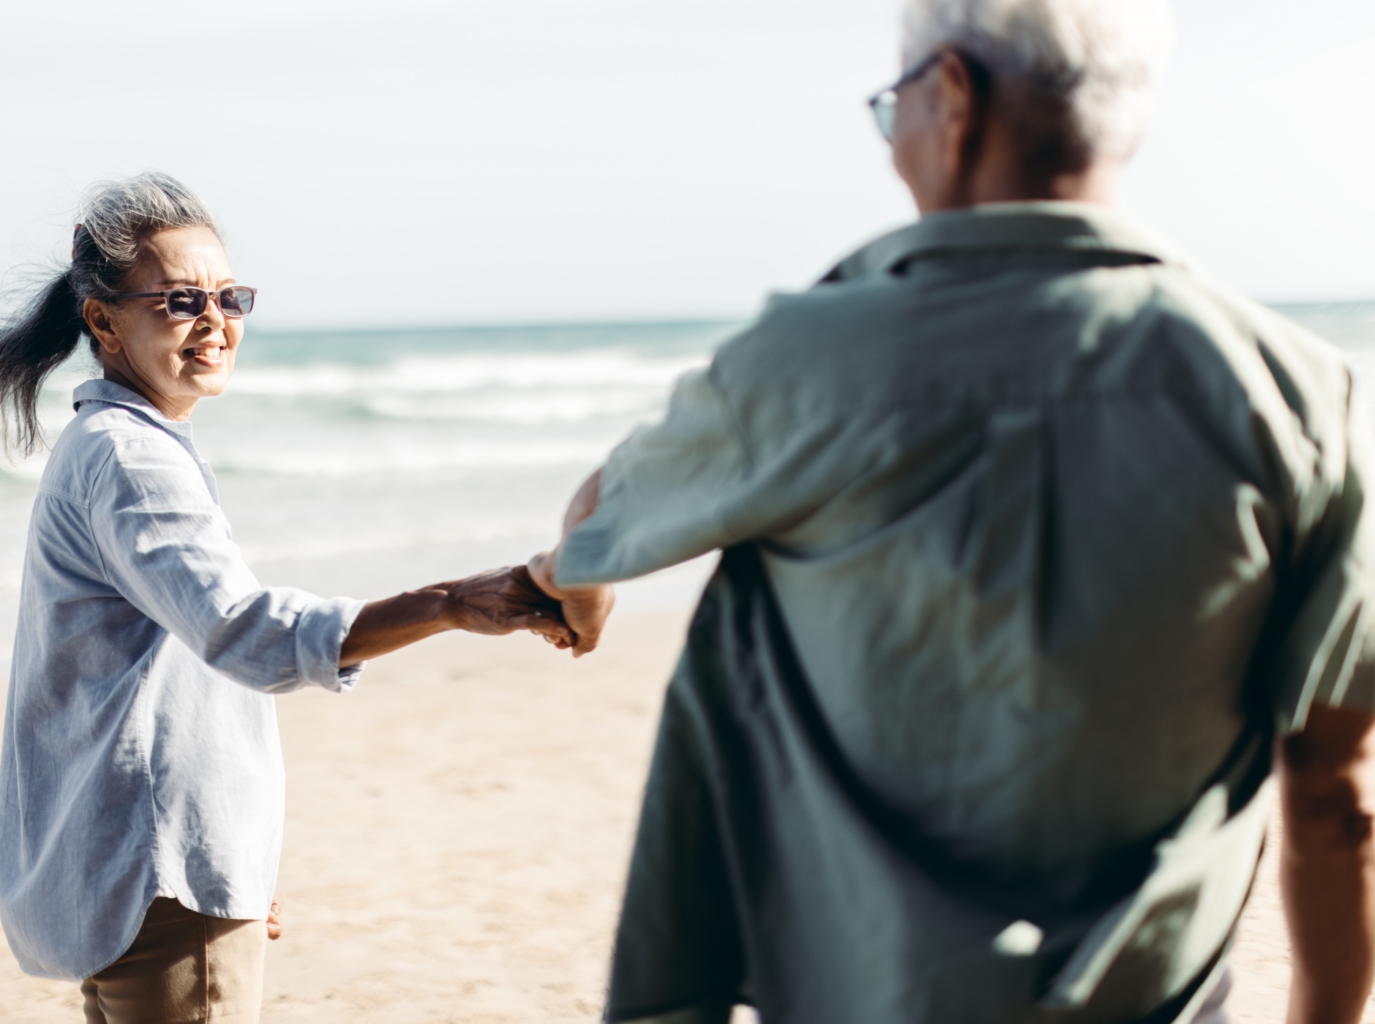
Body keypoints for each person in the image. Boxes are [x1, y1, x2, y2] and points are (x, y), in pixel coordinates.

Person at [527, 1, 1375, 1022]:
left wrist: (577, 587)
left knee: (750, 571)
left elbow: (600, 527)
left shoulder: (811, 359)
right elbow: (1333, 790)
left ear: (952, 95)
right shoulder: (1300, 395)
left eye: (894, 109)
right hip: (1154, 1004)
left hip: (874, 997)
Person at [0, 172, 574, 1024]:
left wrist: (232, 866)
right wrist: (450, 603)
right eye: (180, 300)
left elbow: (155, 690)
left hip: (148, 881)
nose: (214, 321)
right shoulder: (130, 458)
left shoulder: (113, 444)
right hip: (158, 884)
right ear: (103, 321)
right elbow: (247, 636)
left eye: (229, 297)